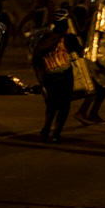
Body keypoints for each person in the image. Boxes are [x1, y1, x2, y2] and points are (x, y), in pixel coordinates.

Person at [32, 9, 84, 143]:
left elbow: (36, 58)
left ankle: (46, 129)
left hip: (49, 76)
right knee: (64, 106)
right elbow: (80, 52)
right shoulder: (69, 38)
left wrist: (41, 79)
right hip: (65, 74)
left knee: (51, 104)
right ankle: (56, 133)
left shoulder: (46, 37)